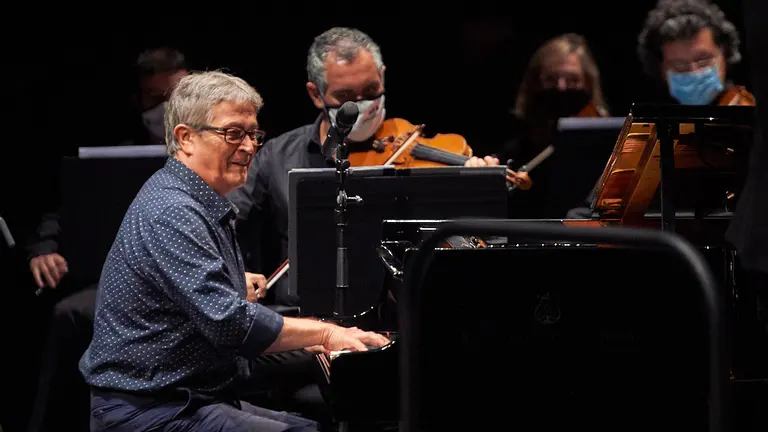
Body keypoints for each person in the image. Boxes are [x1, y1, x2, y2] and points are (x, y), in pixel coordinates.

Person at [79, 70, 389, 432]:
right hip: (152, 409)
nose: (248, 147)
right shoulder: (174, 210)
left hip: (190, 392)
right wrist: (324, 334)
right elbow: (230, 323)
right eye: (233, 134)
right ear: (186, 138)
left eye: (253, 135)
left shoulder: (193, 199)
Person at [24, 46, 190, 432]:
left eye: (175, 99)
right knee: (71, 313)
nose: (166, 110)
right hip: (121, 276)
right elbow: (68, 211)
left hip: (186, 275)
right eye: (156, 100)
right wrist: (44, 250)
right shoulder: (115, 150)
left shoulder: (218, 144)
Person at [497, 33, 609, 219]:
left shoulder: (609, 147)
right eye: (551, 79)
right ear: (535, 85)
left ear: (589, 85)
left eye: (572, 80)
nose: (562, 88)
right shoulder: (516, 153)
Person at [636, 0, 755, 106]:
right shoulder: (649, 118)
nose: (694, 72)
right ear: (661, 68)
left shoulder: (749, 113)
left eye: (703, 61)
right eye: (680, 66)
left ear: (725, 54)